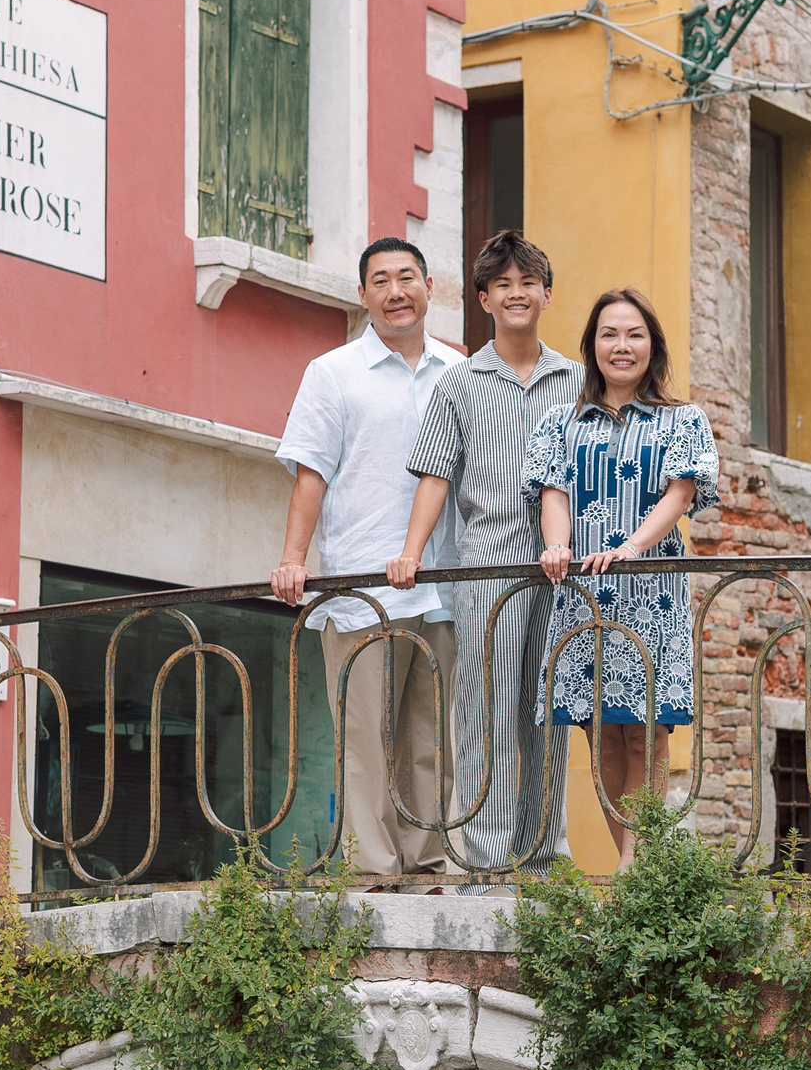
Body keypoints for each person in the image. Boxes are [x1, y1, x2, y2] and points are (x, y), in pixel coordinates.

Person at [386, 230, 582, 874]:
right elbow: (436, 476)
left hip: (564, 563)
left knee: (550, 709)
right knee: (484, 707)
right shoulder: (460, 383)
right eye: (503, 285)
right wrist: (411, 553)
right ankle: (488, 858)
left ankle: (543, 855)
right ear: (483, 299)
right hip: (487, 560)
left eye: (528, 282)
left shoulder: (579, 382)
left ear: (547, 294)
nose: (517, 293)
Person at [272, 238, 463, 879]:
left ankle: (430, 861)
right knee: (365, 740)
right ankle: (375, 871)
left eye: (406, 277)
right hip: (363, 587)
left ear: (428, 286)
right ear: (362, 295)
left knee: (430, 739)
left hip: (442, 583)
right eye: (380, 280)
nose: (395, 291)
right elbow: (311, 475)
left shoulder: (458, 372)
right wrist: (294, 558)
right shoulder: (332, 373)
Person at [523, 287, 719, 867]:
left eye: (634, 334)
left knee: (646, 731)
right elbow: (552, 493)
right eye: (609, 334)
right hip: (582, 596)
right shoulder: (561, 420)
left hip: (649, 592)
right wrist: (556, 544)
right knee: (599, 729)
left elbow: (679, 494)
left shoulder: (682, 419)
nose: (622, 346)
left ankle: (636, 868)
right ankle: (630, 865)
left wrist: (632, 546)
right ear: (592, 346)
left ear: (652, 344)